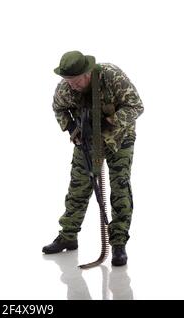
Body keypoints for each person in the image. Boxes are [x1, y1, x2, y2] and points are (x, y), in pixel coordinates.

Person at [42, 51, 144, 266]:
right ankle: (68, 235)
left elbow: (136, 106)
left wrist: (109, 122)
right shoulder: (66, 87)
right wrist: (72, 128)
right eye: (67, 81)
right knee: (78, 187)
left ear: (87, 73)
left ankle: (118, 243)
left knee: (119, 189)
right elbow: (58, 107)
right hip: (87, 140)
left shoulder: (112, 76)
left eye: (76, 81)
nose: (72, 86)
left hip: (119, 139)